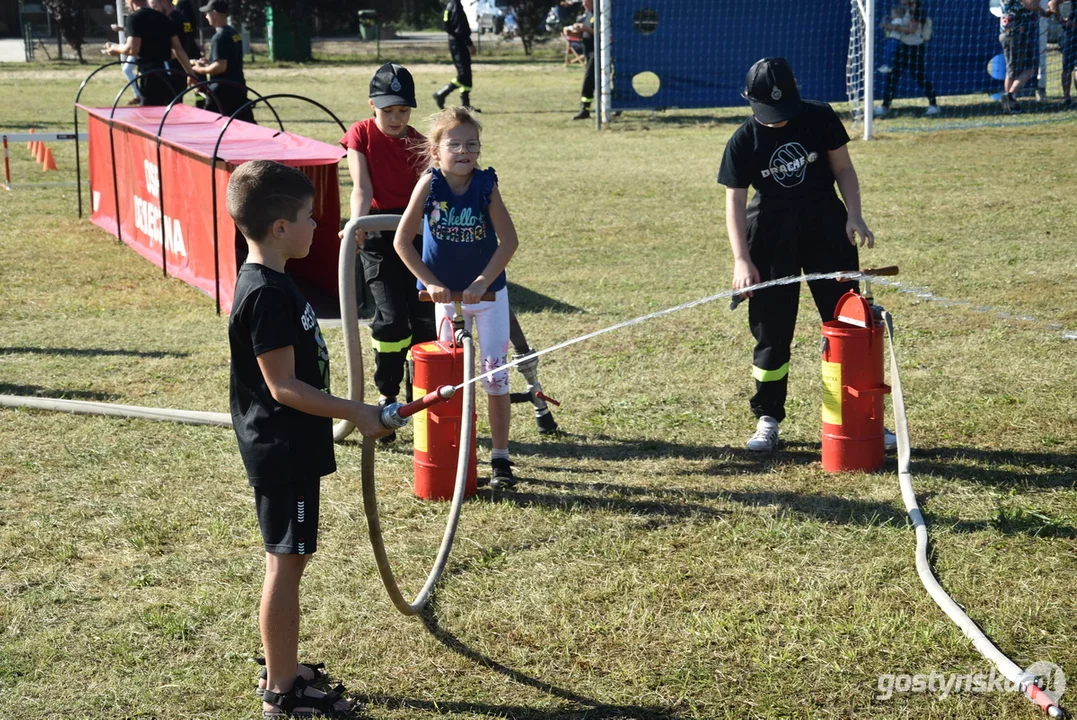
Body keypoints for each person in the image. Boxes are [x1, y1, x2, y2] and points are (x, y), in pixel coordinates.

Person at [226, 159, 391, 717]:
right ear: (280, 228)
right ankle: (282, 689)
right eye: (309, 217)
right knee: (287, 561)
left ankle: (283, 664)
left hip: (292, 447)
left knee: (289, 558)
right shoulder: (265, 293)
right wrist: (358, 411)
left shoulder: (274, 280)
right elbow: (283, 387)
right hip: (283, 450)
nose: (318, 226)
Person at [718, 57, 893, 453]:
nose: (777, 120)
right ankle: (768, 417)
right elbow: (734, 202)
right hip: (769, 237)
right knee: (772, 330)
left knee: (848, 323)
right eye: (768, 113)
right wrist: (742, 259)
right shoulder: (743, 140)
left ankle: (861, 416)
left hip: (826, 229)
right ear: (749, 99)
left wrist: (854, 215)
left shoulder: (820, 117)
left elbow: (844, 169)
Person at [393, 108, 520, 488]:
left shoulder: (485, 185)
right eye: (455, 144)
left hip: (488, 295)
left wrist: (483, 280)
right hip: (446, 299)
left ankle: (500, 457)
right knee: (451, 378)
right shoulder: (430, 184)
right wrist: (429, 283)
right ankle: (455, 451)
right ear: (435, 150)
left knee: (495, 374)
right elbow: (403, 242)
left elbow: (509, 241)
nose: (464, 151)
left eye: (472, 144)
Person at [339, 63, 437, 442]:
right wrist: (356, 226)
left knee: (426, 324)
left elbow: (429, 194)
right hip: (378, 237)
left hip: (414, 239)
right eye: (388, 111)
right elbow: (361, 187)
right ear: (372, 106)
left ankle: (423, 397)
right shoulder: (359, 135)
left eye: (403, 110)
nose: (396, 119)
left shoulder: (419, 143)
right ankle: (387, 396)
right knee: (392, 321)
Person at [103, 0, 194, 107]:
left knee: (149, 114)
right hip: (168, 74)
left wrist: (116, 48)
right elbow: (178, 50)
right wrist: (191, 74)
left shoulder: (134, 18)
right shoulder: (163, 18)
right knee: (170, 113)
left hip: (149, 75)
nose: (126, 5)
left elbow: (133, 49)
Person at [190, 0, 254, 123]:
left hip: (222, 92)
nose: (206, 16)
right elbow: (229, 60)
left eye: (207, 13)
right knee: (245, 125)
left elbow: (220, 67)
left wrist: (199, 69)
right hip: (238, 86)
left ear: (215, 13)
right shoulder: (233, 33)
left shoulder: (219, 37)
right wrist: (209, 62)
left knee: (212, 125)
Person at [875, 0, 939, 117]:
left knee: (920, 77)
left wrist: (892, 27)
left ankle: (933, 105)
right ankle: (885, 106)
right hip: (903, 47)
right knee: (893, 76)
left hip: (915, 49)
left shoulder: (916, 10)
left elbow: (911, 29)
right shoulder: (906, 10)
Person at [998, 0, 1052, 113]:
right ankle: (1010, 96)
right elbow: (1032, 4)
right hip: (1017, 33)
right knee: (1031, 67)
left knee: (1011, 70)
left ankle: (1009, 105)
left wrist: (1043, 12)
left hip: (1008, 32)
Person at [432, 0, 479, 111]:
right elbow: (461, 28)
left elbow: (447, 24)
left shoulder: (451, 5)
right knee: (463, 75)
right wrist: (469, 43)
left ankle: (466, 105)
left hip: (456, 43)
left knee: (467, 74)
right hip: (459, 44)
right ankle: (441, 94)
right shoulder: (456, 6)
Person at [150, 0, 198, 99]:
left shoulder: (171, 21)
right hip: (182, 68)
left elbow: (176, 49)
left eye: (155, 7)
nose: (154, 11)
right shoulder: (182, 18)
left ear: (164, 2)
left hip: (173, 71)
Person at [569, 0, 596, 120]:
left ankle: (585, 109)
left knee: (589, 80)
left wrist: (586, 29)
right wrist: (572, 32)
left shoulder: (601, 15)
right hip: (588, 52)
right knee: (594, 82)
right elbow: (580, 33)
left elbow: (603, 33)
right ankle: (585, 108)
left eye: (587, 1)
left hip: (598, 53)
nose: (584, 4)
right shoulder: (586, 15)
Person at [1049, 0, 1077, 108]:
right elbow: (1052, 3)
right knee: (1067, 68)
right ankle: (1067, 98)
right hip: (1071, 33)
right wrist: (1061, 20)